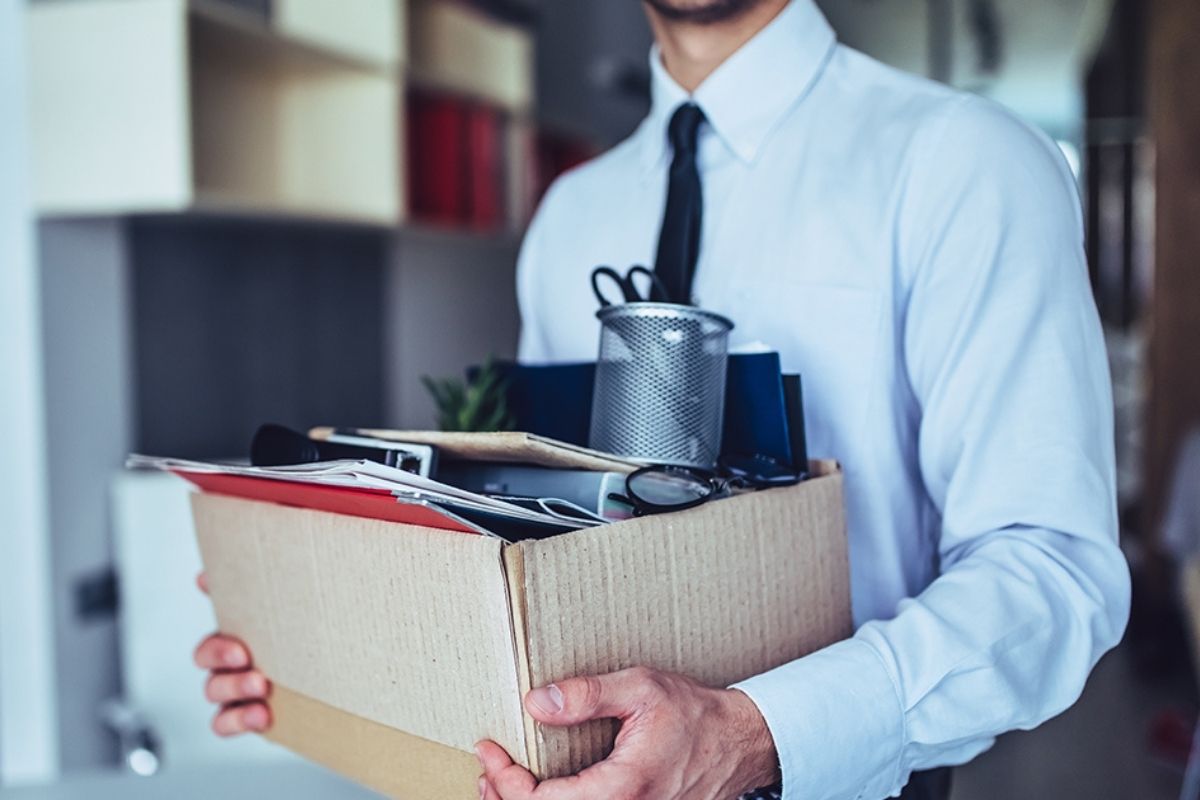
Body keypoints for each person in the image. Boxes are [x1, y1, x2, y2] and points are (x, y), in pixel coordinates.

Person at [192, 1, 1132, 798]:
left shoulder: (963, 161)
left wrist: (748, 733)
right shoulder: (569, 218)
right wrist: (319, 637)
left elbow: (1052, 571)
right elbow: (544, 535)